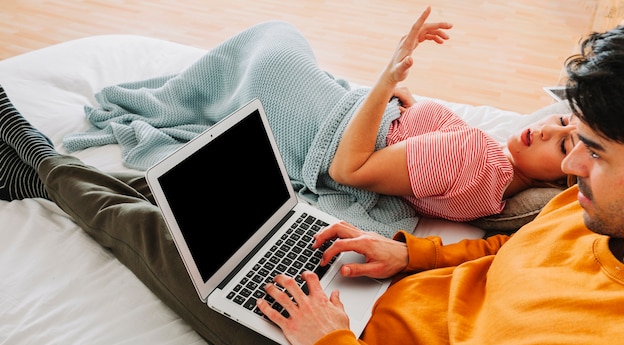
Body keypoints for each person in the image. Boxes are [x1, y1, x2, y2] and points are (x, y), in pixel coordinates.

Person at [1, 6, 624, 345]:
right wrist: (411, 253)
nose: (571, 167)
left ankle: (35, 165)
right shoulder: (593, 206)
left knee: (167, 244)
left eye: (591, 151)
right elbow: (517, 252)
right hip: (375, 300)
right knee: (211, 220)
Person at [35, 6, 573, 228]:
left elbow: (350, 171)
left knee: (276, 40)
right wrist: (413, 107)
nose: (549, 125)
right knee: (277, 44)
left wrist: (387, 79)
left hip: (319, 130)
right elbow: (418, 160)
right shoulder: (489, 188)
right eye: (562, 121)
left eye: (565, 144)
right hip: (344, 123)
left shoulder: (477, 157)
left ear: (560, 179)